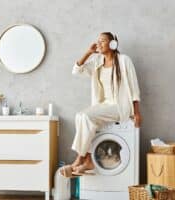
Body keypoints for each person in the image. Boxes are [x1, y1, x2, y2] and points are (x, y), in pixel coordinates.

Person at [61, 32, 141, 177]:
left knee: (85, 116)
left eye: (103, 41)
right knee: (80, 116)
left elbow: (134, 87)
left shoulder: (124, 60)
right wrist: (88, 52)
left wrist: (136, 112)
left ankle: (80, 158)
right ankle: (89, 160)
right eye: (98, 41)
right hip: (104, 105)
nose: (99, 43)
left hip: (119, 106)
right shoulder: (97, 62)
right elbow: (76, 70)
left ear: (112, 44)